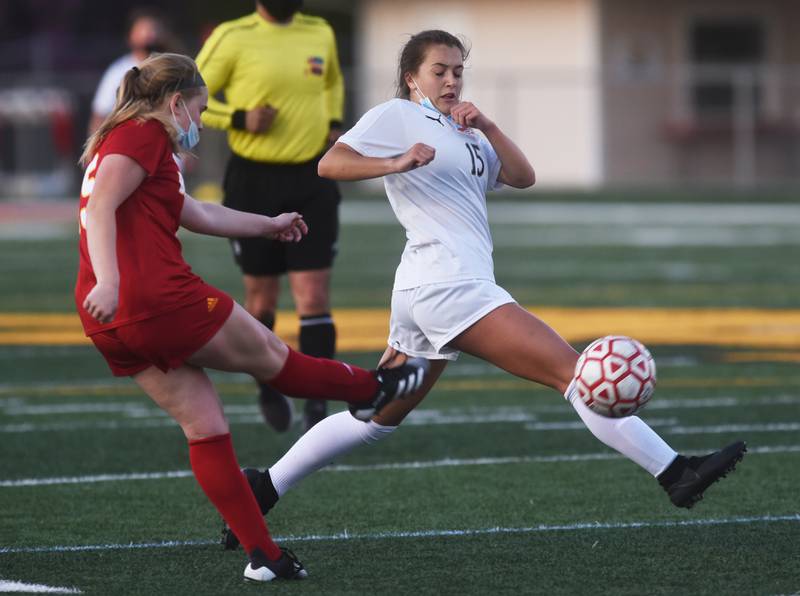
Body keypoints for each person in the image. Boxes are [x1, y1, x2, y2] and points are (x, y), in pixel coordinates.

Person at [221, 30, 747, 551]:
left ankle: (261, 488)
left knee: (374, 419)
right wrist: (394, 163)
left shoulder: (465, 130)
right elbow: (330, 163)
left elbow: (523, 176)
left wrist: (488, 125)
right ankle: (675, 472)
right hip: (450, 285)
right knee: (575, 372)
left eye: (457, 71)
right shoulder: (398, 116)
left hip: (430, 287)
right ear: (412, 78)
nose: (450, 80)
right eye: (439, 71)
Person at [75, 52, 428, 583]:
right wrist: (111, 278)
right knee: (273, 358)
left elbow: (196, 214)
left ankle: (264, 556)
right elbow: (101, 207)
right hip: (157, 299)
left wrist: (268, 225)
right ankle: (376, 388)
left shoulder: (126, 139)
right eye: (200, 108)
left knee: (205, 427)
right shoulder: (145, 135)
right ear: (176, 103)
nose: (200, 121)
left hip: (109, 323)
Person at [195, 0, 345, 434]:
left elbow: (333, 81)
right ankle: (269, 382)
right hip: (252, 183)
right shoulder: (232, 36)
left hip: (312, 176)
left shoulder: (320, 31)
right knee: (260, 300)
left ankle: (318, 403)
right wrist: (240, 117)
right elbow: (190, 95)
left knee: (313, 296)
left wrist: (333, 120)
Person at [88, 7, 176, 135]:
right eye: (143, 30)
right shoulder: (119, 71)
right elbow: (100, 114)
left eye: (154, 29)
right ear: (130, 36)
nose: (150, 35)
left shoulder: (172, 69)